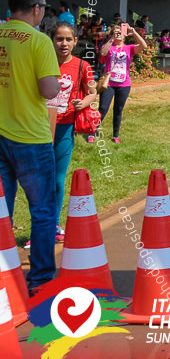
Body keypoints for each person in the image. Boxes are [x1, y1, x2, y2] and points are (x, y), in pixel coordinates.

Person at [0, 0, 60, 294]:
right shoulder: (39, 41)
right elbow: (48, 89)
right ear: (36, 8)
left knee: (2, 211)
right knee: (42, 211)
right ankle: (41, 279)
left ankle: (4, 278)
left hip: (0, 134)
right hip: (31, 139)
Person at [48, 21, 96, 242]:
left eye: (68, 39)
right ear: (52, 40)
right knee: (40, 180)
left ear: (76, 41)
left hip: (65, 127)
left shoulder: (82, 66)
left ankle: (54, 225)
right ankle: (40, 227)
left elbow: (93, 93)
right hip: (39, 128)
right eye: (59, 39)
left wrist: (83, 103)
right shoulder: (42, 63)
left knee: (57, 179)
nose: (63, 43)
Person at [98, 23, 147, 144]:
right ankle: (93, 130)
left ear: (124, 35)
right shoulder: (109, 46)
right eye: (115, 32)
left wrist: (134, 32)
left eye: (120, 32)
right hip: (108, 83)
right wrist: (111, 39)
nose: (118, 34)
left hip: (124, 84)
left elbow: (143, 45)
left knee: (118, 109)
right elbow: (103, 53)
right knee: (103, 108)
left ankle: (115, 135)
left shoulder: (128, 48)